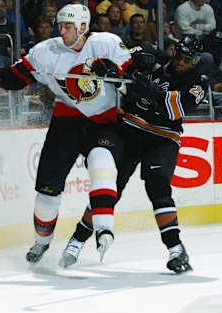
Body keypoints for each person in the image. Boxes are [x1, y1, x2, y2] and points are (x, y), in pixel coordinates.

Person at [0, 4, 133, 264]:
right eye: (60, 25)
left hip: (103, 121)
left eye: (68, 26)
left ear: (83, 28)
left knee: (102, 164)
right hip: (66, 121)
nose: (61, 30)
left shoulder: (106, 44)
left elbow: (134, 72)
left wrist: (119, 74)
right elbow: (17, 76)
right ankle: (41, 242)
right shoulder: (46, 51)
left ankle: (103, 229)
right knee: (46, 189)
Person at [59, 36, 205, 273]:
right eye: (179, 55)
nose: (180, 62)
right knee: (108, 189)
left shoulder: (196, 84)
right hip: (129, 130)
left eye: (187, 60)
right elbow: (123, 59)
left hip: (162, 138)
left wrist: (142, 88)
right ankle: (76, 241)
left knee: (158, 187)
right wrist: (111, 67)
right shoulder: (154, 62)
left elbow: (171, 109)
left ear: (195, 61)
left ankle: (176, 249)